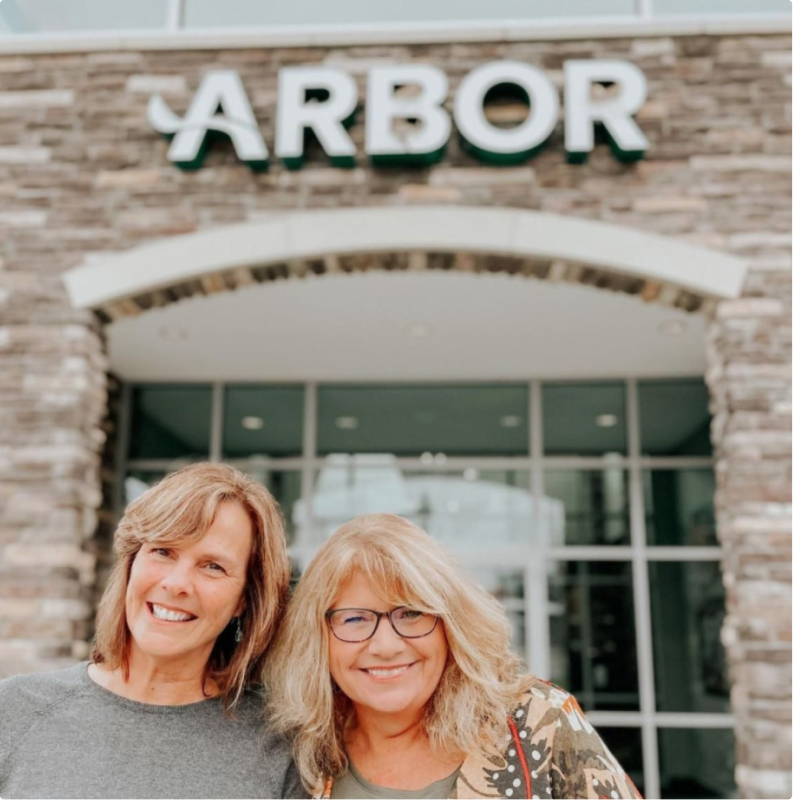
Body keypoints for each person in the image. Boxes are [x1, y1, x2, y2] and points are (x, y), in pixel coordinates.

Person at [265, 513, 642, 800]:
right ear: (318, 638)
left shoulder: (540, 722)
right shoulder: (298, 753)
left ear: (451, 626)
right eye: (354, 618)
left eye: (410, 613)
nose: (385, 645)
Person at [0, 463, 305, 799]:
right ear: (131, 563)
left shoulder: (281, 747)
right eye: (163, 551)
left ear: (244, 600)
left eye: (213, 566)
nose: (176, 584)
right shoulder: (14, 711)